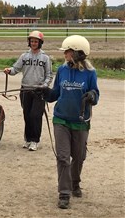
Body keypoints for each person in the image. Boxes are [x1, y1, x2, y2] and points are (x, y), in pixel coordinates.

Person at [41, 35, 99, 209]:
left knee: (79, 157)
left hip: (81, 121)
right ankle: (64, 193)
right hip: (61, 120)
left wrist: (91, 96)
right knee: (63, 157)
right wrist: (44, 93)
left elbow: (95, 94)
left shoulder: (90, 73)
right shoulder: (62, 70)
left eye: (67, 51)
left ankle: (75, 182)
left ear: (78, 54)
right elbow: (56, 94)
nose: (64, 54)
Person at [3, 30, 52, 151]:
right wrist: (9, 70)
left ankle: (35, 141)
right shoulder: (24, 56)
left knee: (36, 116)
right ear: (29, 42)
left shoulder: (45, 58)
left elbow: (49, 75)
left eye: (36, 41)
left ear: (40, 43)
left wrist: (44, 85)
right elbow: (16, 69)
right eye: (32, 41)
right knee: (27, 115)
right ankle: (28, 139)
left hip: (39, 92)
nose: (33, 43)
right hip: (25, 90)